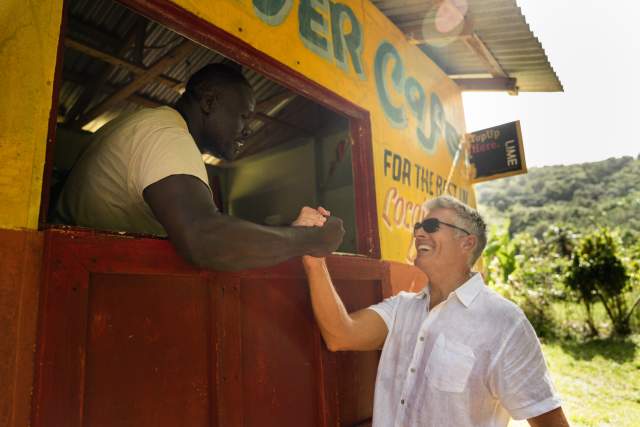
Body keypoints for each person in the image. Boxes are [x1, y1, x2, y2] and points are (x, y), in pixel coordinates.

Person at [300, 196, 570, 427]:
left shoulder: (504, 322)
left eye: (431, 226)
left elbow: (548, 420)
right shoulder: (402, 308)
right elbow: (340, 335)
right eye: (418, 226)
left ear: (467, 243)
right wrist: (314, 257)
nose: (418, 233)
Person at [55, 63, 344, 271]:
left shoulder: (153, 126)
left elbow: (213, 228)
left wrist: (289, 230)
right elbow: (203, 237)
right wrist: (309, 240)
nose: (248, 130)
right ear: (209, 101)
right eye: (244, 115)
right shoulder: (167, 136)